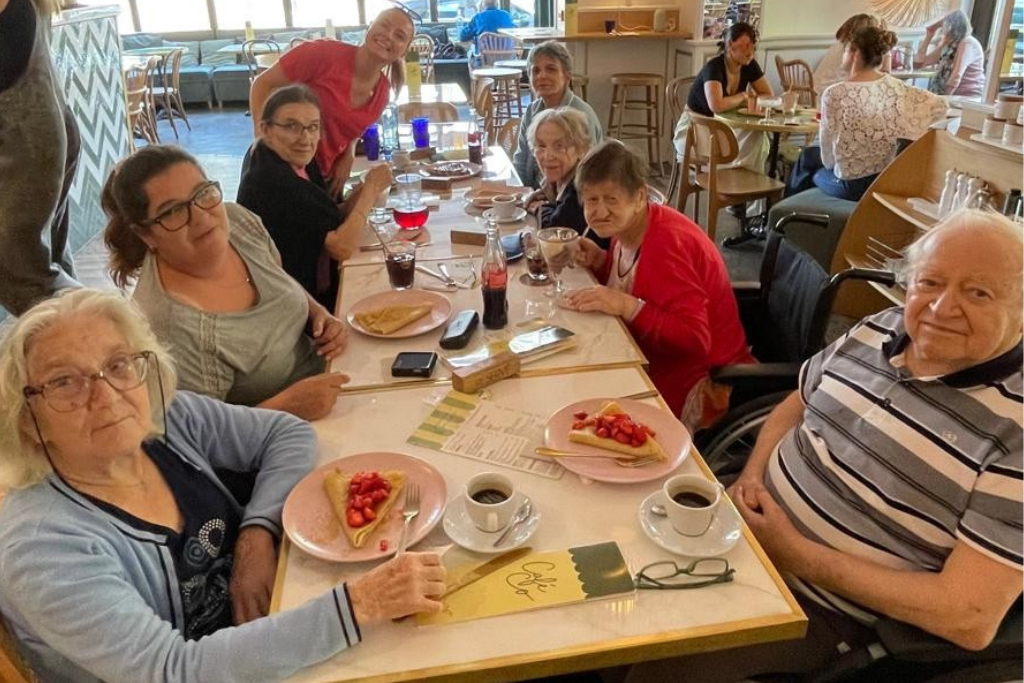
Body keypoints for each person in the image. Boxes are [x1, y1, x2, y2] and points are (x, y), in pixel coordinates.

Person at [618, 209, 1024, 683]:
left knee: (652, 665)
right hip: (739, 525)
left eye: (978, 292)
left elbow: (968, 617)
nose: (940, 308)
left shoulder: (1013, 429)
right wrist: (752, 474)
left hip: (820, 609)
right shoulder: (882, 327)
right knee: (598, 585)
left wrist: (797, 555)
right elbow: (796, 401)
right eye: (930, 282)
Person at [0, 289, 446, 683]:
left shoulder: (162, 419)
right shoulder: (42, 547)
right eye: (64, 383)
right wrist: (358, 604)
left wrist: (257, 533)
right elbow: (173, 670)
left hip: (281, 622)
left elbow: (286, 434)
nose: (106, 394)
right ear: (24, 420)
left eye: (118, 364)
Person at [103, 145, 349, 422]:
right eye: (173, 211)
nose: (200, 215)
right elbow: (201, 435)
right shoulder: (169, 326)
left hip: (336, 378)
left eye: (202, 192)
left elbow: (278, 278)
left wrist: (319, 314)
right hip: (283, 438)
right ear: (146, 234)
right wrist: (285, 406)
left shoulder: (237, 220)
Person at [566, 141, 754, 428]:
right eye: (591, 200)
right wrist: (601, 262)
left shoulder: (667, 245)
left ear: (639, 196)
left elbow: (695, 340)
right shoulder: (630, 226)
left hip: (701, 379)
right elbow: (641, 286)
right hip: (654, 355)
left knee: (579, 402)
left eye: (611, 199)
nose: (599, 211)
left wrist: (626, 305)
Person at [238, 85, 393, 308]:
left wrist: (361, 192)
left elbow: (327, 218)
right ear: (266, 129)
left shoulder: (294, 161)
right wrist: (369, 192)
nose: (305, 138)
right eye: (292, 126)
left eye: (313, 127)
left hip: (307, 290)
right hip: (294, 305)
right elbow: (341, 247)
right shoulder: (271, 180)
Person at [249, 8, 414, 201]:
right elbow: (262, 84)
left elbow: (351, 127)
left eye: (399, 36)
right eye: (384, 25)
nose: (388, 35)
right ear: (370, 26)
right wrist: (263, 142)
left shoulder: (382, 94)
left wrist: (348, 154)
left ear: (404, 51)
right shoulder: (323, 54)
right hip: (283, 167)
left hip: (324, 178)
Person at [788, 25, 946, 202]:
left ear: (855, 54)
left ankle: (784, 220)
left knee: (809, 164)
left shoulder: (835, 93)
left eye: (845, 50)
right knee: (809, 156)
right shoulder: (898, 87)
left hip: (852, 187)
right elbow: (941, 106)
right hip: (885, 179)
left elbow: (828, 161)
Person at [0, 0, 81, 316]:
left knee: (26, 278)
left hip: (21, 145)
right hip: (41, 133)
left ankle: (108, 347)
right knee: (48, 265)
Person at [672, 22, 773, 174]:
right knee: (735, 147)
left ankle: (746, 187)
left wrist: (746, 100)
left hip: (724, 126)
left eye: (753, 46)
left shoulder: (749, 65)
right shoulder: (714, 67)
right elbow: (716, 105)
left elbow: (768, 95)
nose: (750, 52)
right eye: (745, 46)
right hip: (696, 128)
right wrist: (743, 96)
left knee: (757, 134)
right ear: (730, 45)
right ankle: (730, 186)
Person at [513, 40, 602, 189]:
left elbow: (589, 174)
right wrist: (519, 194)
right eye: (536, 71)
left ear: (567, 76)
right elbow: (521, 161)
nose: (542, 76)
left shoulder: (581, 116)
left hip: (569, 200)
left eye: (551, 69)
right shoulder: (531, 111)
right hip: (534, 196)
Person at [522, 107, 609, 250]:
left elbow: (553, 233)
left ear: (581, 149)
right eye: (541, 146)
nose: (547, 156)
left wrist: (540, 207)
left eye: (559, 146)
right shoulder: (561, 180)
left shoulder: (582, 188)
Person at [916, 10, 985, 97]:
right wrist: (929, 35)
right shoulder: (948, 46)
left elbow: (956, 77)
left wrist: (942, 100)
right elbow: (918, 64)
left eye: (943, 26)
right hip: (953, 95)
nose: (942, 31)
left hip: (969, 97)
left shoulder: (967, 43)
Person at [813, 13, 888, 94]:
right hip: (827, 92)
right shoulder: (851, 50)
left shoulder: (839, 44)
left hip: (818, 90)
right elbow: (874, 74)